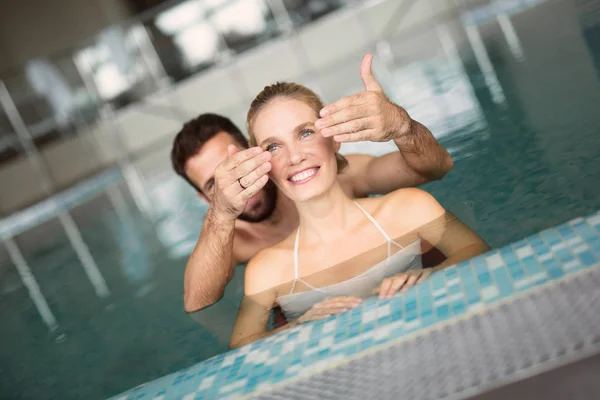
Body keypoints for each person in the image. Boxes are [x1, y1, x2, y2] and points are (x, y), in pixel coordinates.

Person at [171, 54, 454, 314]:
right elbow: (197, 303)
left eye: (237, 165)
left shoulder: (335, 174)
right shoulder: (230, 241)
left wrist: (402, 126)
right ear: (205, 198)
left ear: (256, 148)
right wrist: (221, 212)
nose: (239, 185)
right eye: (216, 185)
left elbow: (436, 168)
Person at [229, 82, 490, 348]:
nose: (294, 157)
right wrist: (299, 326)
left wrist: (430, 277)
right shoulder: (268, 269)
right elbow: (241, 347)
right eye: (273, 147)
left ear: (334, 139)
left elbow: (477, 250)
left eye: (305, 133)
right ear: (263, 166)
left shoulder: (407, 208)